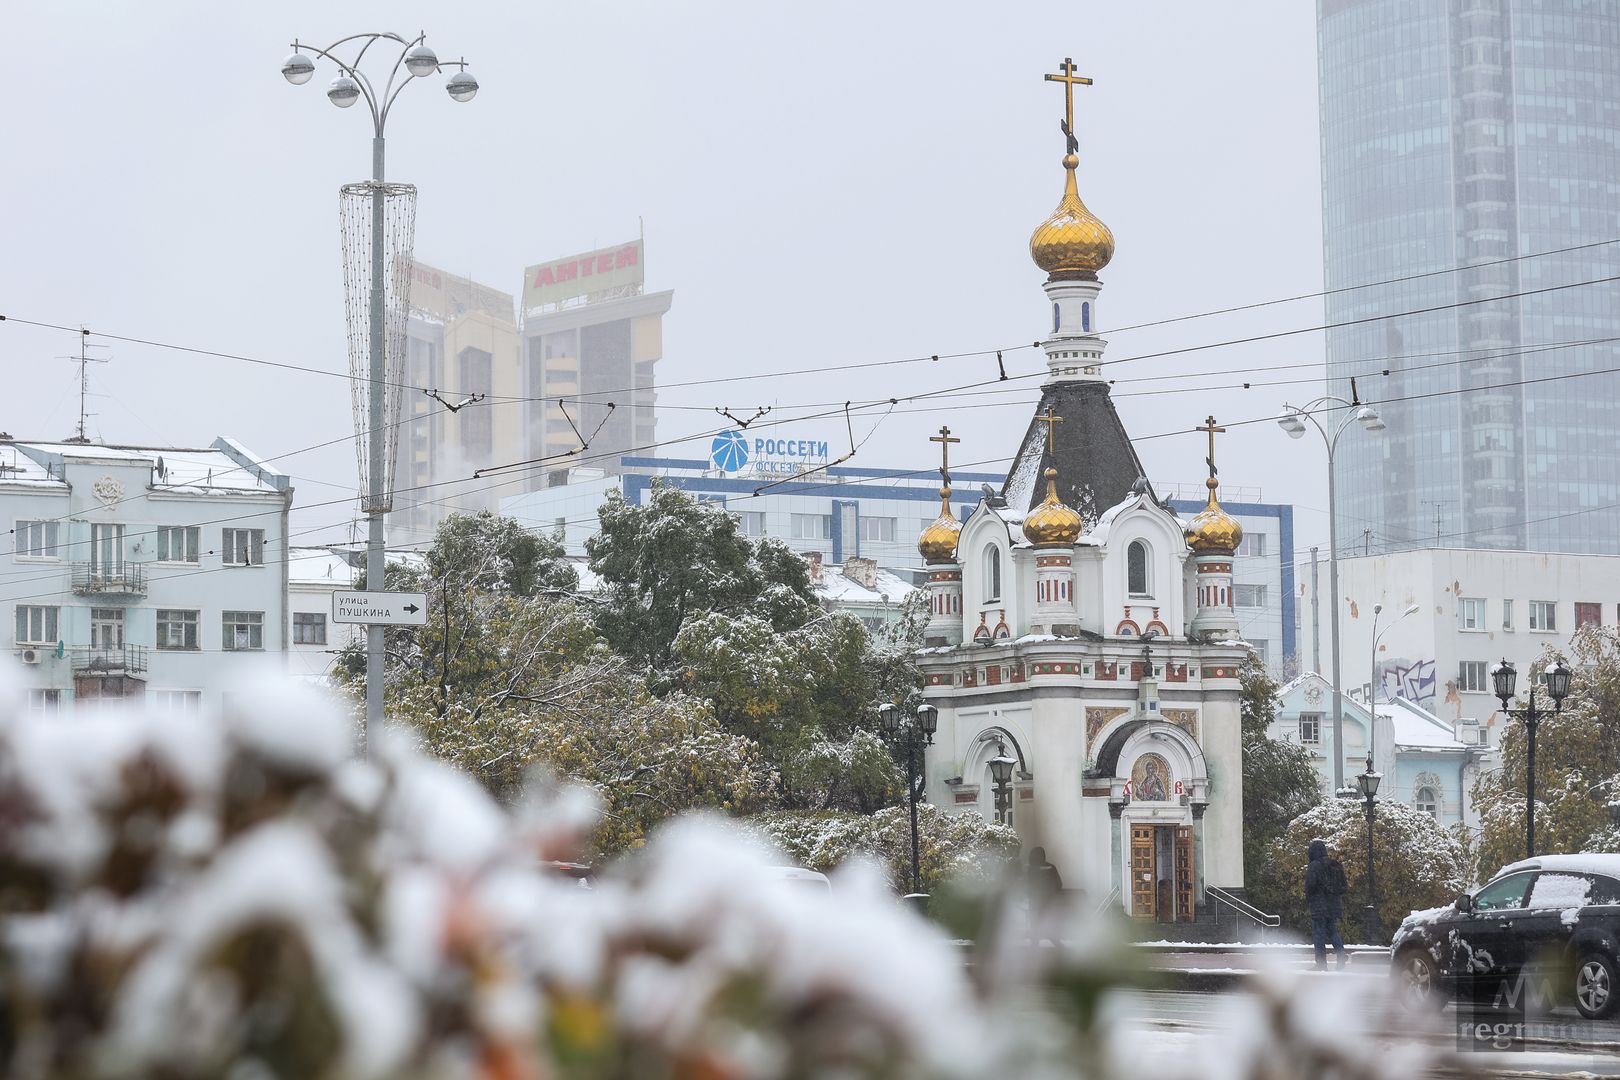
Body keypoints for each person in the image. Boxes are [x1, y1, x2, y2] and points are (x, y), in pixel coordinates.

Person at [1305, 838, 1348, 970]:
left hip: (1319, 905)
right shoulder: (1335, 865)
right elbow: (1344, 886)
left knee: (1319, 934)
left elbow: (1310, 886)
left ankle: (1321, 964)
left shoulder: (1314, 865)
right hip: (1334, 904)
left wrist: (1309, 897)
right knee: (1333, 930)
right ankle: (1341, 954)